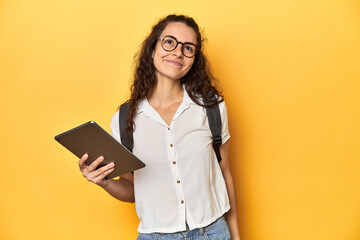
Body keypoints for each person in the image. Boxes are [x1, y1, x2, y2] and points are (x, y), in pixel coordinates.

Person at [78, 14, 240, 240]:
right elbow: (132, 189)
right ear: (153, 49)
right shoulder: (124, 119)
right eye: (169, 42)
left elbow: (226, 175)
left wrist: (236, 235)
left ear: (194, 59)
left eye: (188, 48)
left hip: (213, 233)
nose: (178, 52)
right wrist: (104, 182)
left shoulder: (211, 107)